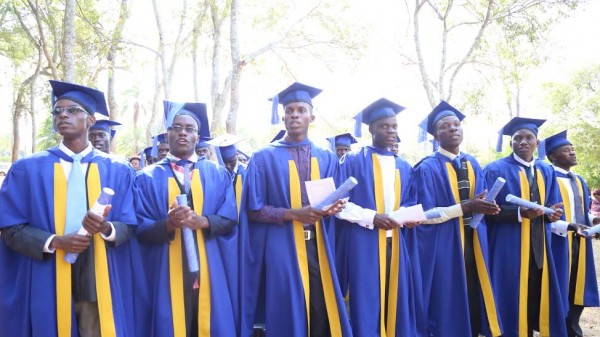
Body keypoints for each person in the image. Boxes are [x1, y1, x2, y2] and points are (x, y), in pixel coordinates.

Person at [0, 80, 141, 337]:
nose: (62, 114)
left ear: (90, 120)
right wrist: (55, 241)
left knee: (94, 328)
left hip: (98, 267)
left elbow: (130, 223)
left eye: (72, 110)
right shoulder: (27, 168)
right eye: (57, 111)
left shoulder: (118, 170)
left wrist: (107, 228)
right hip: (46, 268)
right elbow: (10, 226)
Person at [242, 82, 351, 337]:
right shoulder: (263, 157)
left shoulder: (327, 157)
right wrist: (293, 214)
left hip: (320, 245)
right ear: (282, 116)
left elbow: (333, 200)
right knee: (288, 309)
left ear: (311, 116)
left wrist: (334, 207)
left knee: (322, 309)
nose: (295, 114)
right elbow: (253, 210)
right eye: (290, 110)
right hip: (282, 246)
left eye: (301, 110)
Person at [135, 101, 239, 336]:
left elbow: (230, 217)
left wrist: (202, 221)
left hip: (208, 267)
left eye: (189, 128)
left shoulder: (218, 173)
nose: (182, 132)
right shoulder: (146, 177)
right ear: (167, 134)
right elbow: (138, 227)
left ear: (197, 136)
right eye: (176, 127)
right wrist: (169, 224)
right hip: (165, 270)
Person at [411, 101, 502, 337]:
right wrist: (465, 207)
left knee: (473, 295)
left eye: (456, 124)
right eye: (445, 126)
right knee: (447, 301)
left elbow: (478, 201)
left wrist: (487, 206)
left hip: (474, 243)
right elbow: (423, 216)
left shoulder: (472, 163)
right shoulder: (426, 168)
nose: (453, 129)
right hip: (444, 246)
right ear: (434, 135)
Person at [334, 98, 419, 336]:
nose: (391, 131)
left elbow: (410, 201)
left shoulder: (403, 165)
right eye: (384, 126)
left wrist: (409, 216)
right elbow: (339, 204)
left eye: (394, 126)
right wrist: (373, 217)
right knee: (366, 300)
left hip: (396, 243)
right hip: (364, 242)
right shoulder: (352, 161)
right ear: (371, 128)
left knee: (395, 298)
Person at [484, 117, 566, 337]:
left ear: (537, 143)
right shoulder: (495, 169)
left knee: (534, 298)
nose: (523, 142)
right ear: (510, 143)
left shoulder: (546, 170)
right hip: (508, 247)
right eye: (517, 138)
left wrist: (553, 213)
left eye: (529, 137)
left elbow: (551, 204)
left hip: (539, 248)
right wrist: (520, 213)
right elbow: (487, 211)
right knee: (510, 298)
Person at [542, 130, 600, 337]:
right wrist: (569, 226)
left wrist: (594, 220)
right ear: (553, 156)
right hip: (557, 240)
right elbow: (545, 212)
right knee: (560, 288)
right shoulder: (548, 177)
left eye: (573, 149)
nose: (573, 153)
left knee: (578, 286)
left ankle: (573, 329)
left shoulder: (578, 180)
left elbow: (582, 212)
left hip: (580, 240)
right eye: (567, 150)